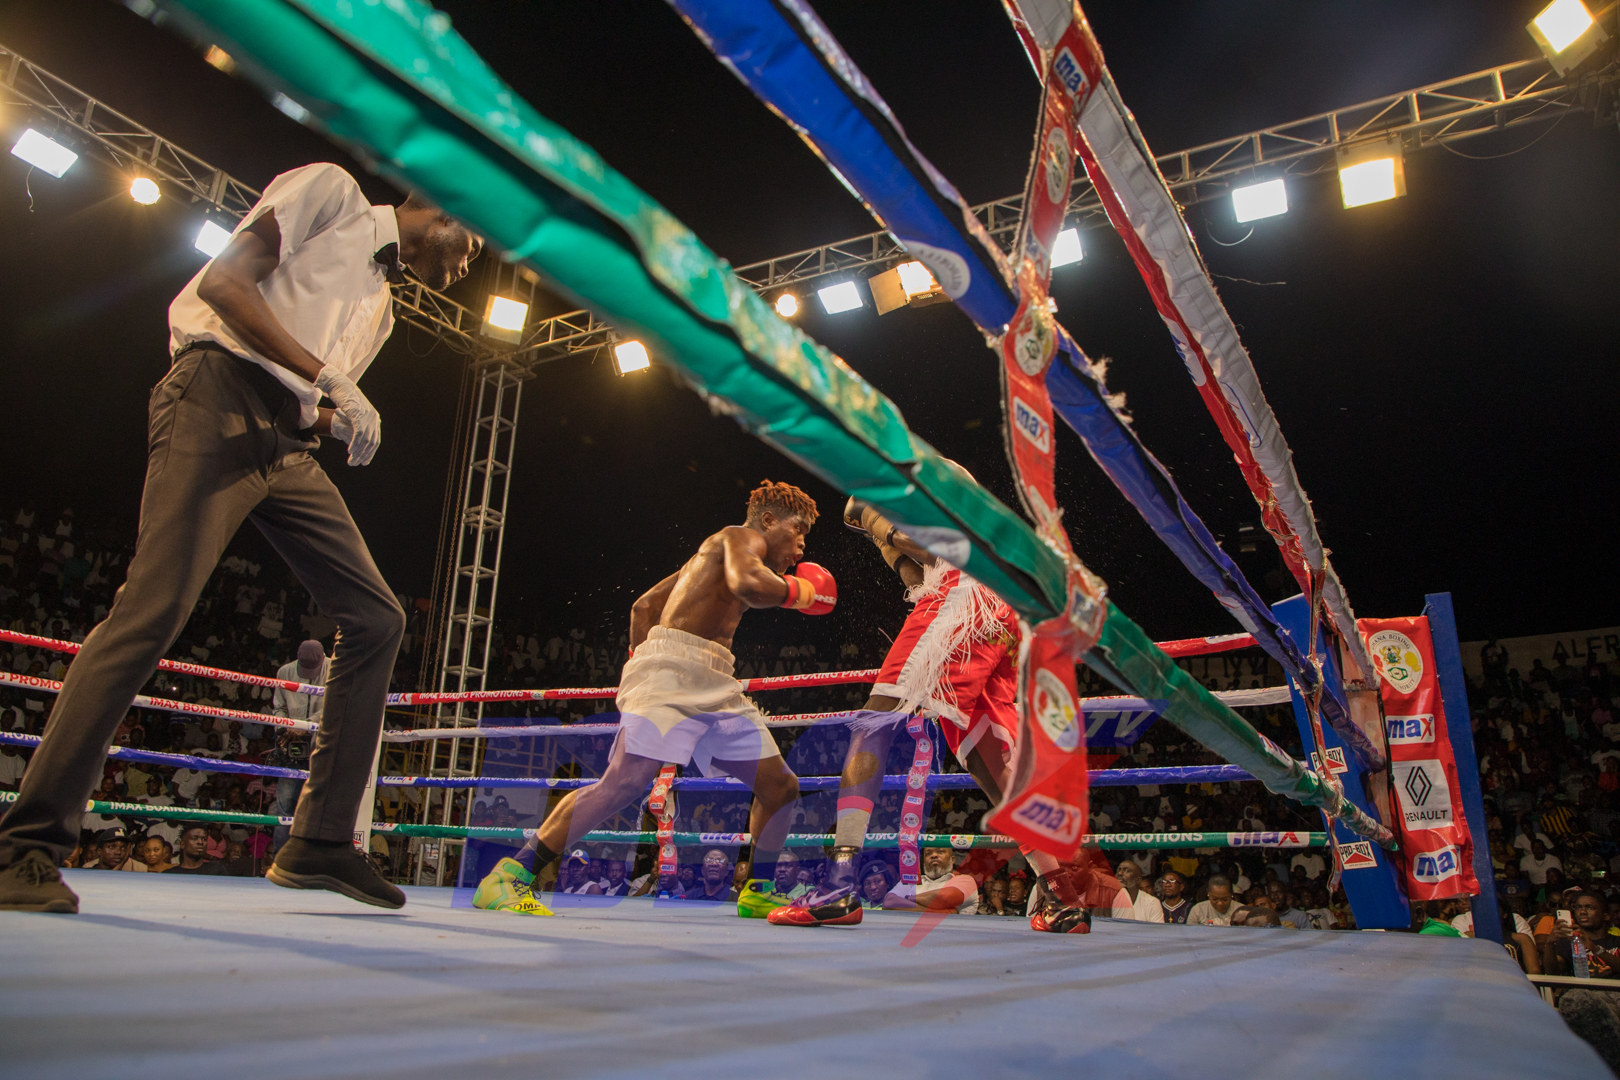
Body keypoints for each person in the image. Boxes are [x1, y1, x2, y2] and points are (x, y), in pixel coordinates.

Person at [0, 165, 480, 914]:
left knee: (377, 617)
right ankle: (25, 846)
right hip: (216, 395)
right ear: (444, 211)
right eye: (475, 243)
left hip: (286, 444)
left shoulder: (383, 308)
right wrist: (333, 382)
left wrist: (339, 418)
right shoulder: (334, 193)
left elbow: (313, 399)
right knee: (152, 610)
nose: (471, 263)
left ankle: (320, 842)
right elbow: (227, 285)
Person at [472, 481, 827, 918]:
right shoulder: (739, 537)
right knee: (623, 783)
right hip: (673, 670)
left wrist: (640, 662)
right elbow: (748, 583)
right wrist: (801, 592)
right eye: (798, 529)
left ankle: (758, 890)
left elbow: (643, 607)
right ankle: (508, 876)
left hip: (713, 678)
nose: (802, 545)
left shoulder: (710, 556)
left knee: (780, 786)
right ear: (769, 521)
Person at [782, 483, 1085, 932]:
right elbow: (916, 577)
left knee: (874, 722)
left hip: (964, 595)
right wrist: (884, 538)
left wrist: (876, 523)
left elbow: (936, 550)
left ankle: (839, 884)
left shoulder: (921, 476)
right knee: (987, 757)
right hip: (1003, 611)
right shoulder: (913, 503)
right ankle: (1061, 896)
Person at [269, 641, 327, 852]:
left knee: (320, 806)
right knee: (285, 805)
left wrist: (307, 725)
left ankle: (313, 859)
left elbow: (337, 706)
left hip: (323, 747)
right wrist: (284, 729)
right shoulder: (285, 672)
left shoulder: (335, 671)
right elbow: (279, 707)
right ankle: (280, 859)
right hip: (292, 747)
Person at [878, 846, 979, 915]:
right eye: (928, 853)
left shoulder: (965, 880)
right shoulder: (911, 881)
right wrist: (942, 913)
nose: (934, 855)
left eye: (940, 851)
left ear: (952, 860)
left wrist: (907, 898)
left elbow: (944, 897)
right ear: (924, 861)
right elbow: (888, 903)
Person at [163, 825, 229, 876]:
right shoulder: (170, 874)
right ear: (182, 844)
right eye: (194, 838)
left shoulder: (217, 870)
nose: (200, 842)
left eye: (204, 839)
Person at [83, 829, 147, 873]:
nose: (118, 852)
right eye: (112, 847)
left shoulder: (129, 877)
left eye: (123, 848)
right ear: (99, 851)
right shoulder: (86, 873)